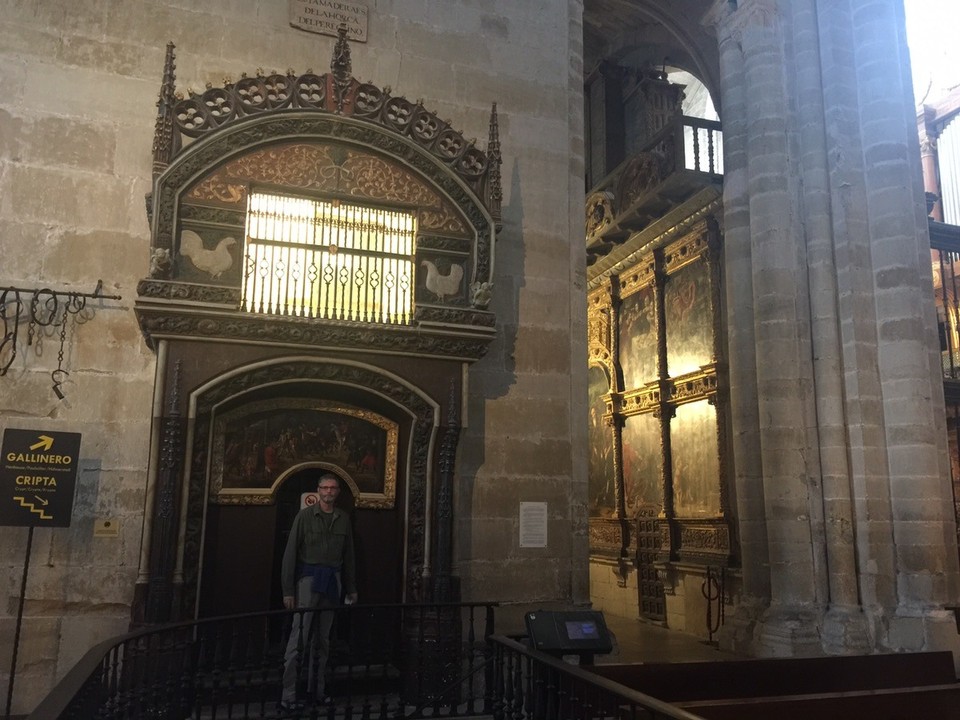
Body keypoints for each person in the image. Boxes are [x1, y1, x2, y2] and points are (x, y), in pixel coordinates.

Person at [280, 473, 358, 711]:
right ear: (318, 490)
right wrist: (288, 590)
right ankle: (289, 694)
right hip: (308, 580)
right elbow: (290, 554)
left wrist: (351, 588)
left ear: (337, 492)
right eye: (324, 487)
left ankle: (317, 690)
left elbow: (349, 557)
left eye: (333, 488)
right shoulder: (304, 517)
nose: (328, 492)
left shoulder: (343, 519)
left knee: (322, 641)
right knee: (299, 638)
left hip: (332, 580)